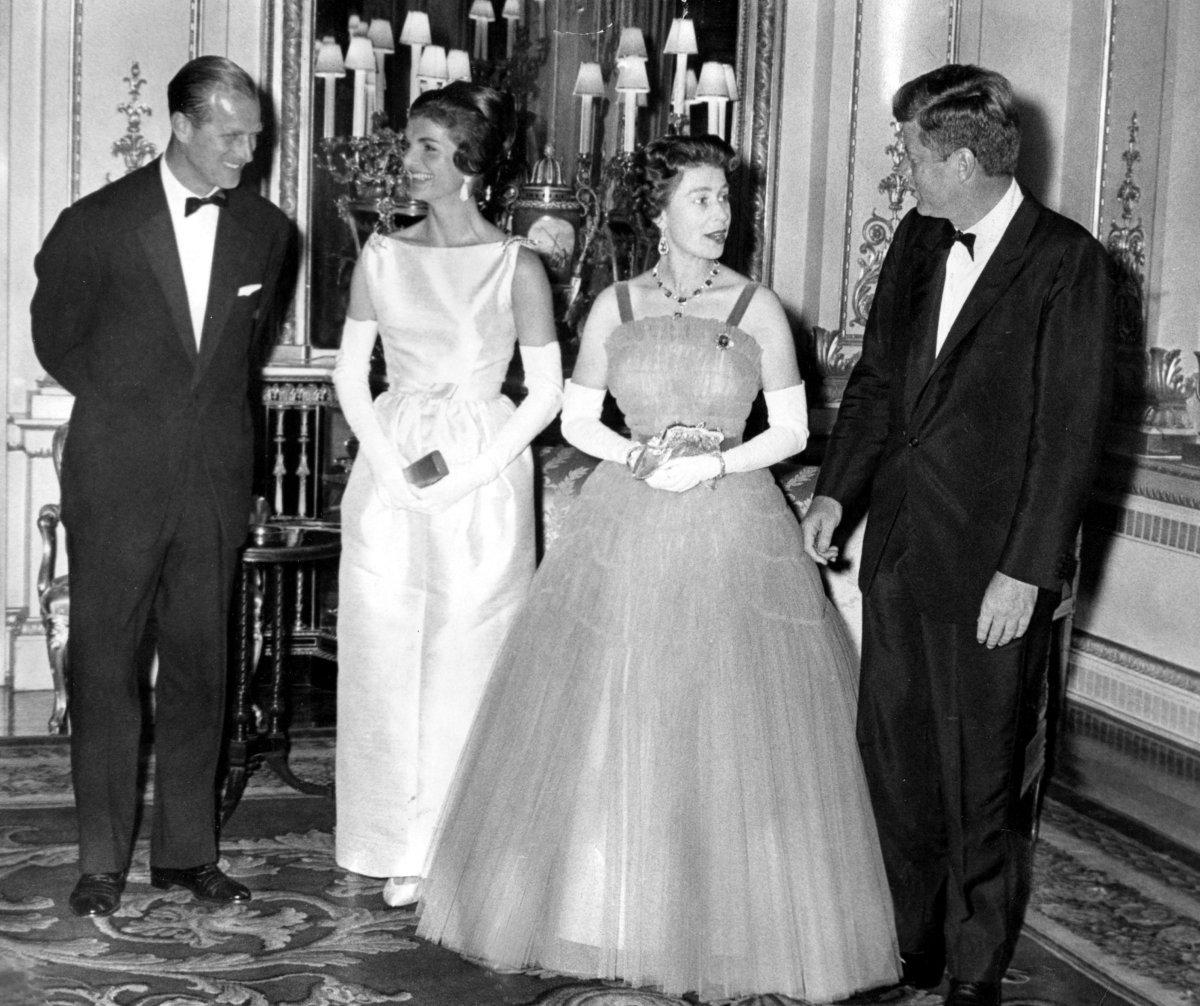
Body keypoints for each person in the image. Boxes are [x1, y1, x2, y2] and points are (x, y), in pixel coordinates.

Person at [416, 134, 900, 1003]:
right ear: (662, 210)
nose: (722, 215)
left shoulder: (757, 309)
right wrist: (639, 459)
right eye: (704, 198)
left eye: (726, 199)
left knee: (724, 718)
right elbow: (576, 420)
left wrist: (713, 463)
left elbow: (791, 431)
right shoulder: (617, 305)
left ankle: (726, 918)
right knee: (619, 707)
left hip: (732, 531)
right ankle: (611, 913)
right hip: (628, 526)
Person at [801, 65, 1114, 1006]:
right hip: (899, 550)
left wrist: (1026, 572)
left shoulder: (1068, 263)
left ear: (965, 160)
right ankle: (911, 949)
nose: (905, 177)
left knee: (985, 778)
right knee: (895, 764)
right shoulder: (915, 242)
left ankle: (973, 974)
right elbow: (879, 386)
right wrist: (835, 496)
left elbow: (1070, 436)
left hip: (994, 573)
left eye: (912, 160)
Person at [30, 56, 293, 917]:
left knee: (201, 668)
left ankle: (188, 855)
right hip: (116, 476)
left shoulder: (267, 230)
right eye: (230, 134)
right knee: (106, 667)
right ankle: (101, 860)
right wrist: (135, 406)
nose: (246, 154)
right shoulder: (94, 223)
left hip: (215, 479)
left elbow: (238, 359)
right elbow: (57, 341)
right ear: (180, 125)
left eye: (254, 135)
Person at [332, 81, 563, 908]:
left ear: (468, 162)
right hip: (391, 474)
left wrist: (468, 475)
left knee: (467, 656)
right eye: (409, 145)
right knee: (387, 656)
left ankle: (458, 840)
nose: (409, 161)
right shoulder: (382, 255)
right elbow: (349, 375)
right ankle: (394, 840)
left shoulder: (515, 264)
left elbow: (543, 392)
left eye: (427, 147)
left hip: (483, 480)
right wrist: (390, 467)